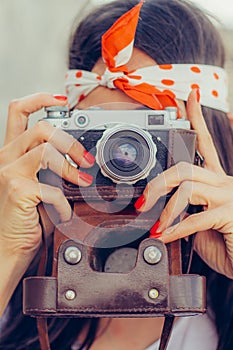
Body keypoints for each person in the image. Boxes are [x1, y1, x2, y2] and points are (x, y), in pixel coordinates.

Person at [0, 0, 233, 349]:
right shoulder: (18, 293)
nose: (122, 161)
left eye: (149, 134)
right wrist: (9, 251)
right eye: (99, 133)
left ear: (208, 135)